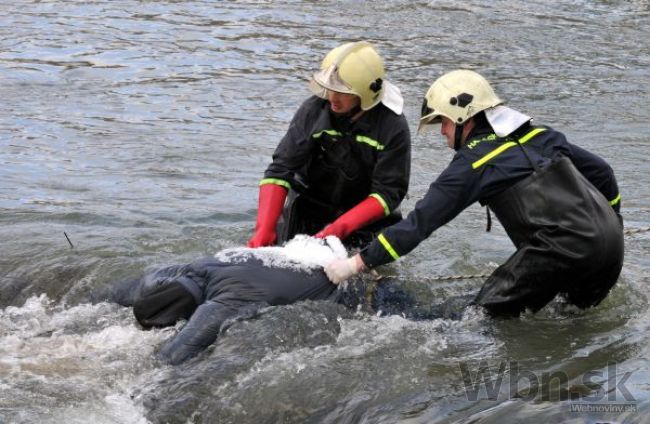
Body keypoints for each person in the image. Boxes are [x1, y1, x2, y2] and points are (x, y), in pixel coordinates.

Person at [324, 70, 624, 317]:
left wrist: (355, 264)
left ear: (461, 119)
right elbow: (602, 172)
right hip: (611, 249)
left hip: (560, 252)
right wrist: (612, 224)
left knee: (474, 321)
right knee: (568, 320)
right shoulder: (541, 134)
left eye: (442, 121)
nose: (441, 132)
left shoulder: (475, 160)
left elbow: (420, 222)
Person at [248, 41, 411, 248]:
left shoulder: (392, 127)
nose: (333, 97)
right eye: (330, 87)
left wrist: (337, 230)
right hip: (307, 215)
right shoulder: (313, 111)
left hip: (364, 225)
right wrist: (264, 229)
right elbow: (280, 171)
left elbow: (388, 193)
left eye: (342, 91)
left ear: (365, 93)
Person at [111, 236, 347, 364]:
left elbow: (174, 354)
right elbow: (125, 290)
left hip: (337, 285)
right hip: (320, 250)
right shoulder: (202, 264)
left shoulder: (225, 301)